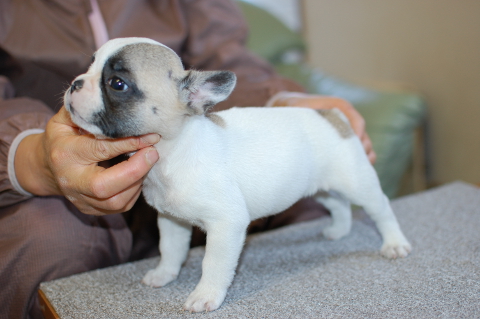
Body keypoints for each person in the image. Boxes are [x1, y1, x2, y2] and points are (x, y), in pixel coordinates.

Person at [0, 0, 375, 318]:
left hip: (187, 151)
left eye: (113, 81)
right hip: (44, 157)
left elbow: (228, 58)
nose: (83, 80)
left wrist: (286, 101)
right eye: (89, 70)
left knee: (304, 213)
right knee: (47, 245)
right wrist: (29, 155)